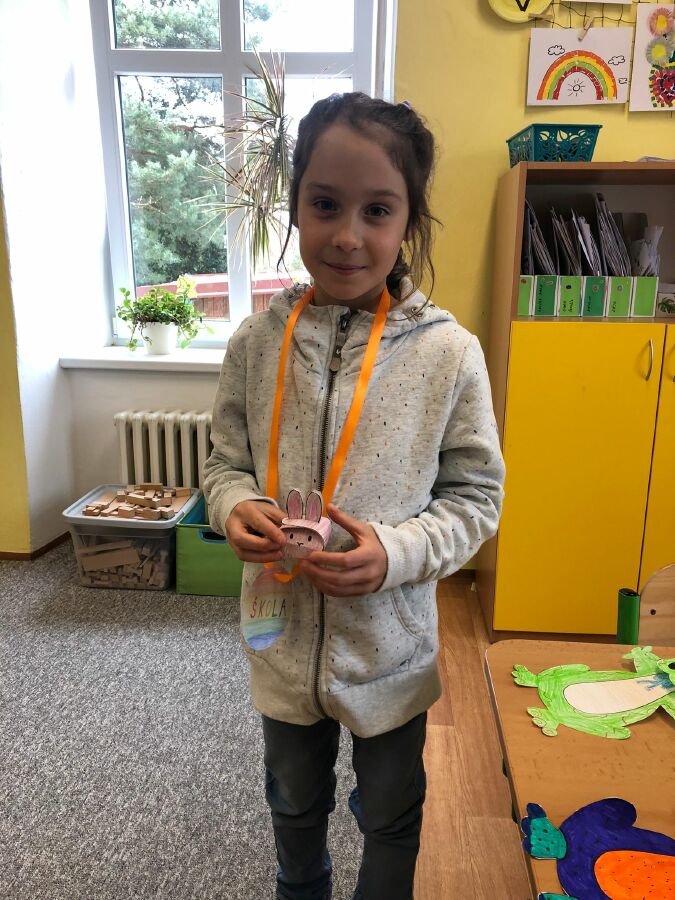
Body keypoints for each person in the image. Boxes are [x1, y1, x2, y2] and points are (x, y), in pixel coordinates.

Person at [203, 92, 505, 900]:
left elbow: (475, 498)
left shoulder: (448, 354)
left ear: (408, 221)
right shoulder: (255, 342)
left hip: (389, 652)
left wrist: (395, 553)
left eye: (376, 210)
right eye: (324, 204)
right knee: (293, 801)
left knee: (391, 813)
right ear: (295, 205)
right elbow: (223, 464)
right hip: (278, 637)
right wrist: (234, 506)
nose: (346, 234)